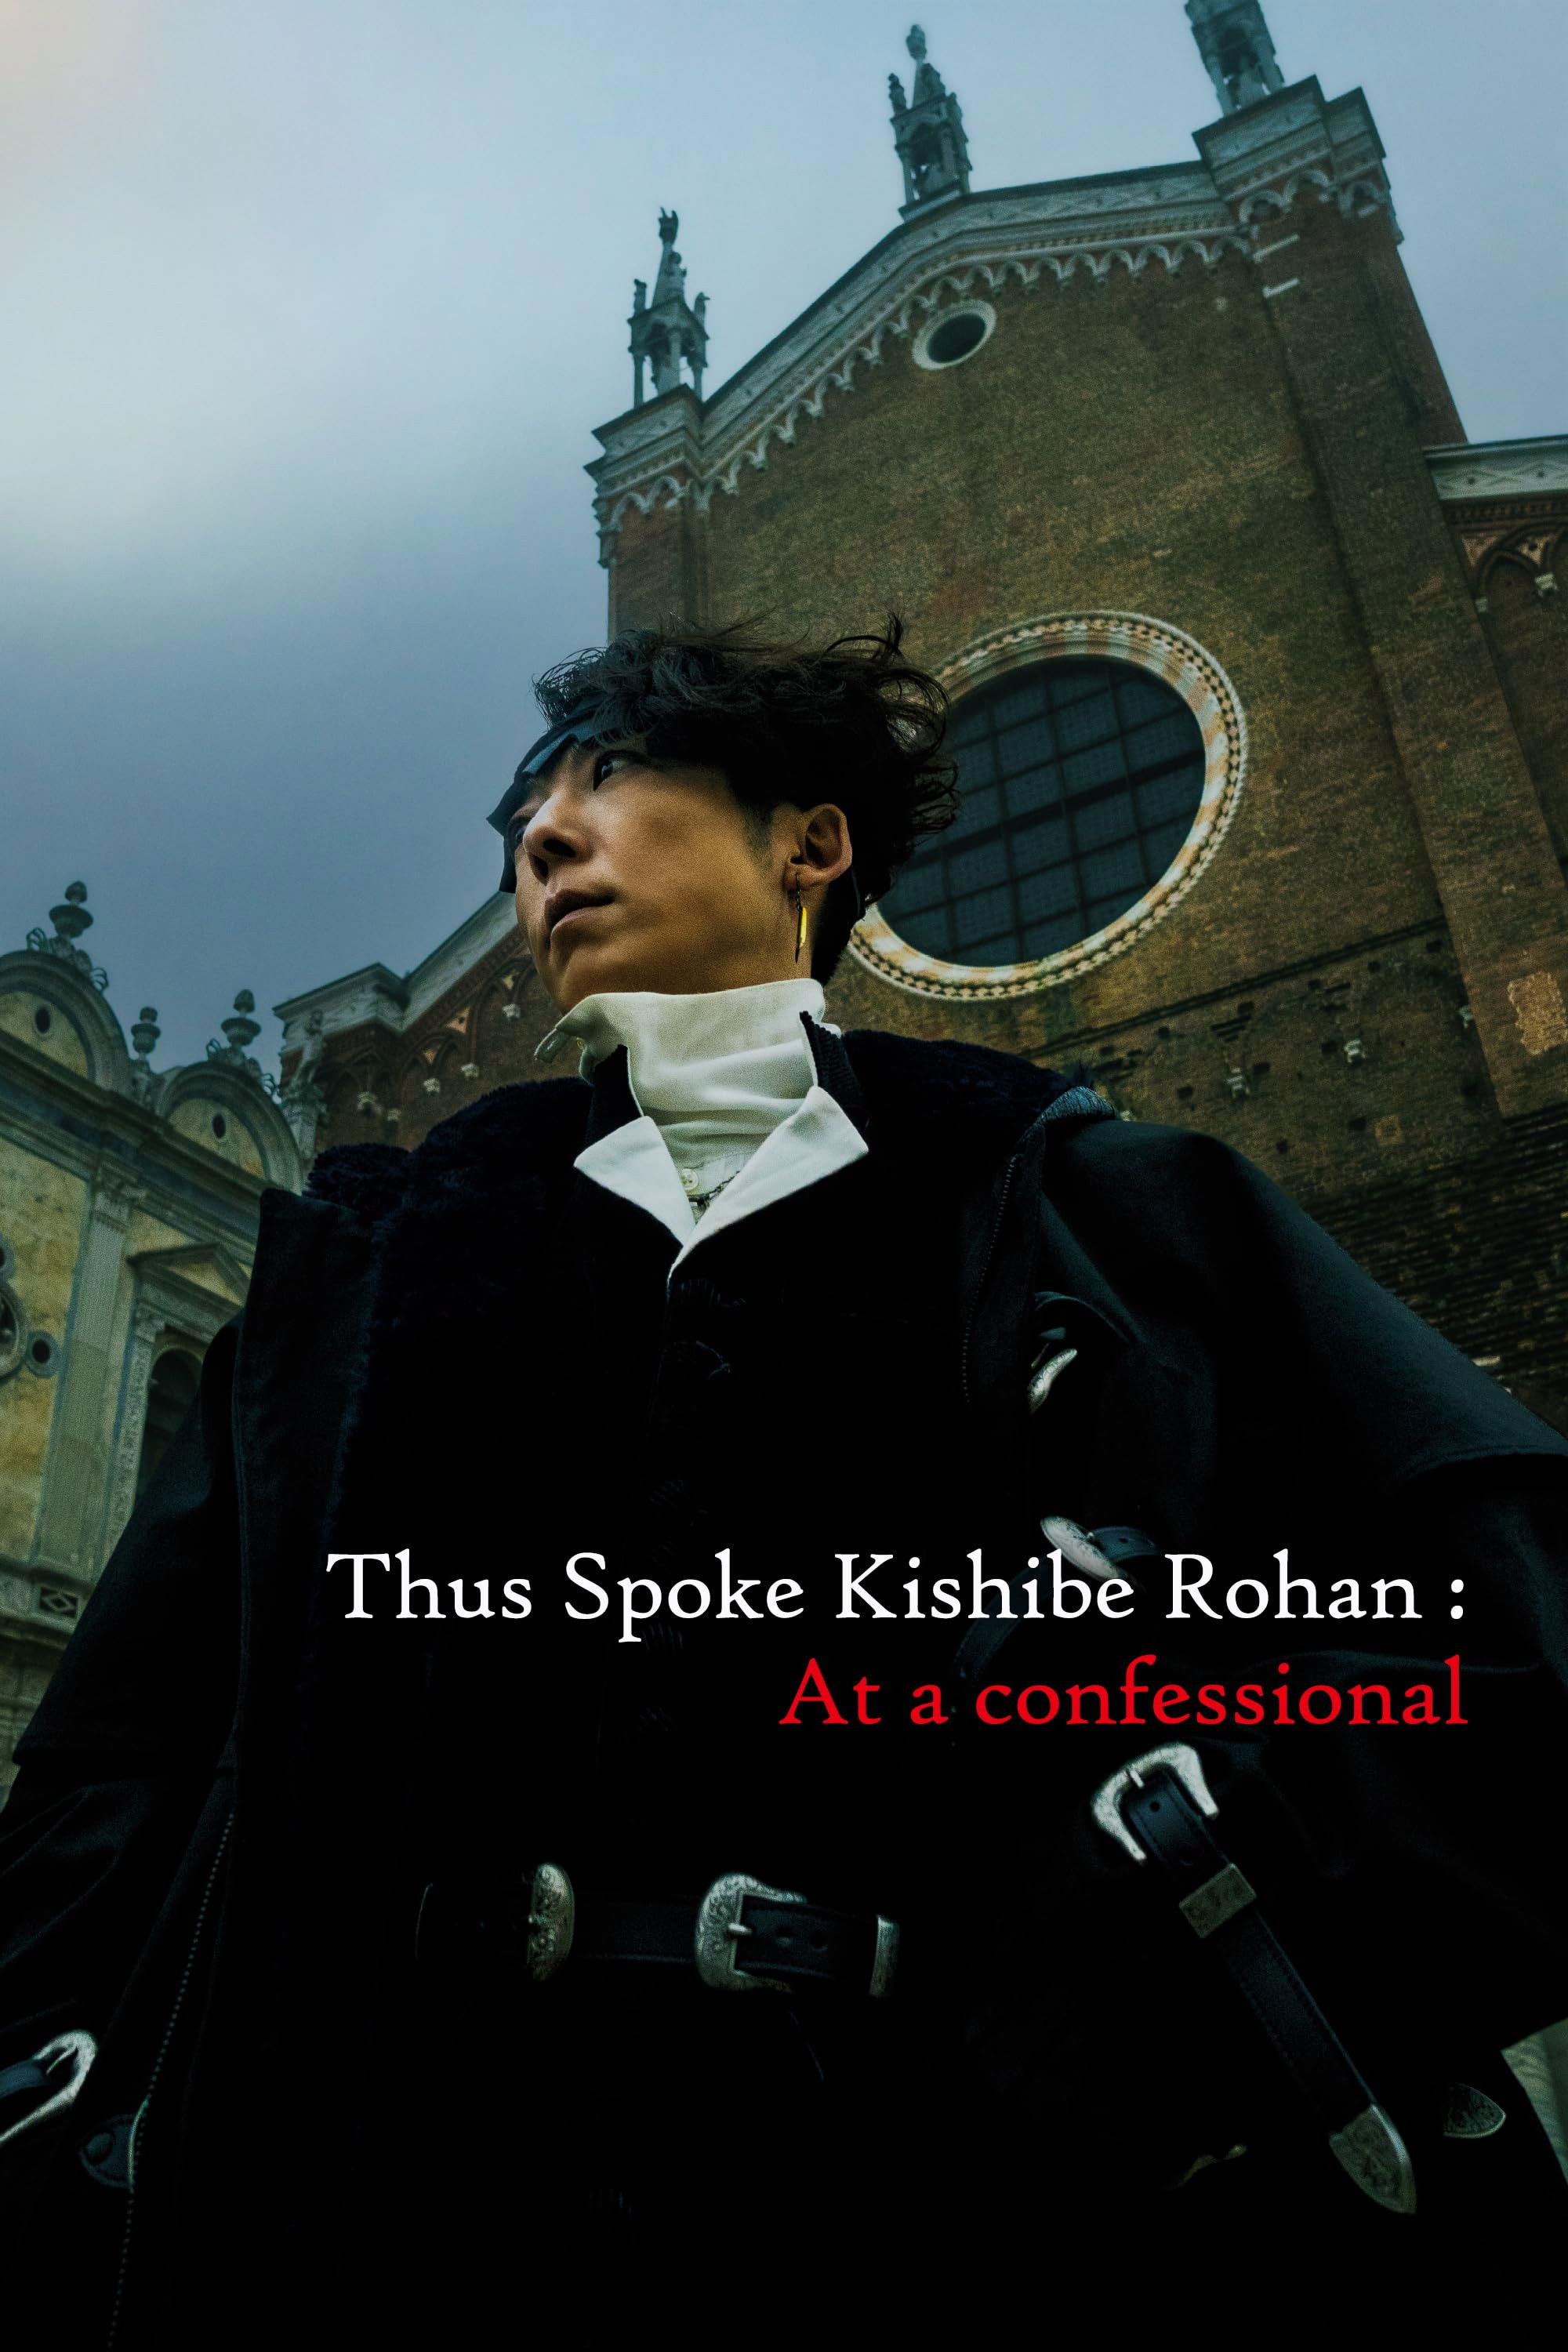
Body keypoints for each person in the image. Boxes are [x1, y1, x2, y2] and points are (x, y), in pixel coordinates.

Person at [3, 618, 1568, 2348]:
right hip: (413, 2254)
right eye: (520, 817)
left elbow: (1504, 1639)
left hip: (987, 2259)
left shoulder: (1085, 1208)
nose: (542, 837)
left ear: (809, 845)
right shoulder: (355, 1284)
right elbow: (114, 1780)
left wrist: (1162, 1977)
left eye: (609, 776)